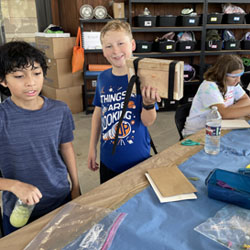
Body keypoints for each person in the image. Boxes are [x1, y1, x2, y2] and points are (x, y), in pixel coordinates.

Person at [0, 41, 81, 236]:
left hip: (60, 199)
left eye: (36, 73)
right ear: (3, 80)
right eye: (19, 76)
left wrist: (76, 186)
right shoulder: (2, 118)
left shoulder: (60, 110)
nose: (31, 82)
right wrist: (14, 185)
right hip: (19, 210)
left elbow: (66, 148)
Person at [87, 20, 161, 183]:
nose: (116, 51)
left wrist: (148, 103)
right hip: (108, 161)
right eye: (109, 46)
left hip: (137, 160)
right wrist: (92, 147)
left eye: (121, 43)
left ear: (132, 44)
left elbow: (148, 121)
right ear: (103, 51)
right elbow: (98, 113)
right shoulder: (103, 78)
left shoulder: (145, 78)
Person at [182, 54, 250, 136]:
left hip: (219, 126)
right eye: (234, 77)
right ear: (222, 74)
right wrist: (227, 112)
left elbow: (246, 100)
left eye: (240, 76)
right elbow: (222, 114)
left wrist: (228, 111)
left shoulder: (231, 83)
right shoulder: (209, 86)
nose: (238, 80)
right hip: (198, 132)